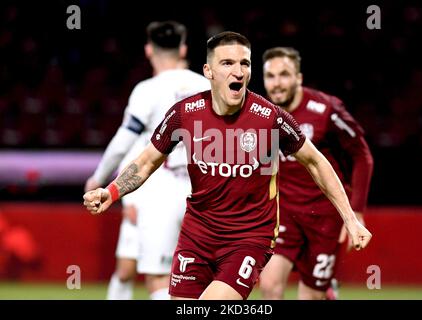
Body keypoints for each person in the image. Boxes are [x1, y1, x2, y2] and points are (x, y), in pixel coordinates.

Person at [83, 31, 372, 300]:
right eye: (227, 63)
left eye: (244, 63)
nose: (239, 71)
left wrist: (350, 217)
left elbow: (316, 162)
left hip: (248, 238)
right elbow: (147, 161)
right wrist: (111, 192)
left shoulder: (270, 118)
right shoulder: (185, 114)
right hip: (196, 236)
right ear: (208, 72)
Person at [84, 20, 210, 300]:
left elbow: (123, 142)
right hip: (204, 189)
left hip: (161, 191)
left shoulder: (147, 90)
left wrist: (99, 178)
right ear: (183, 49)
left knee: (161, 279)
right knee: (202, 278)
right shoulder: (206, 85)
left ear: (148, 50)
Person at [258, 47, 374, 300]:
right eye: (270, 76)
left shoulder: (325, 109)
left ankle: (326, 290)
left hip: (325, 216)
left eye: (284, 75)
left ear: (298, 78)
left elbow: (361, 155)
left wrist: (355, 212)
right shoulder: (260, 113)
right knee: (269, 285)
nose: (277, 84)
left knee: (309, 296)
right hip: (284, 212)